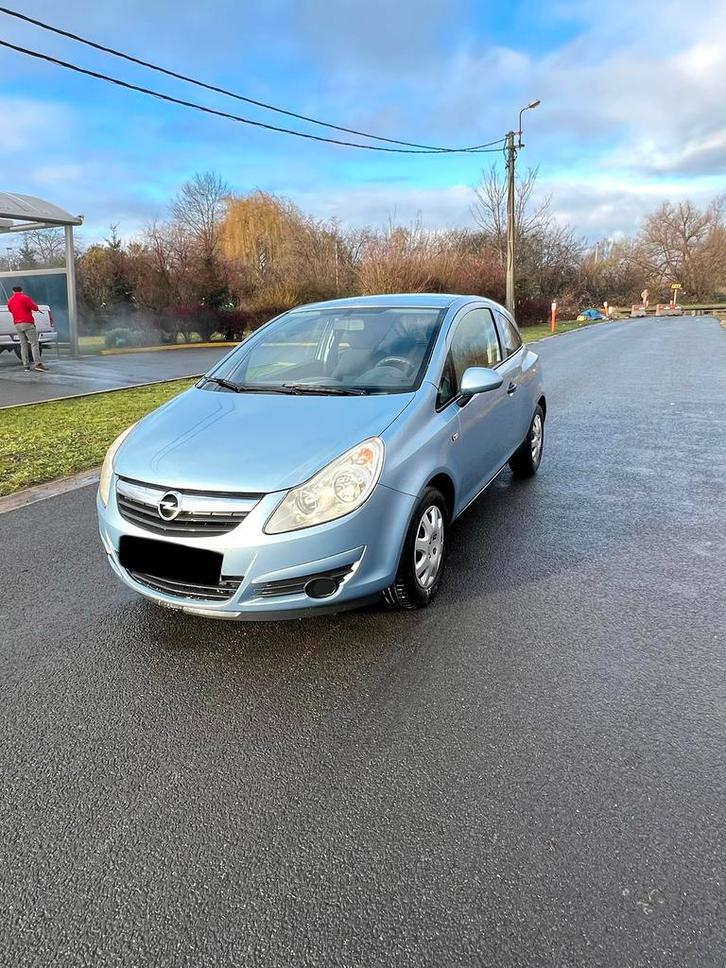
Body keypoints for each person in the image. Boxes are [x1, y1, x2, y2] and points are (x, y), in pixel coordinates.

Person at [6, 286, 48, 371]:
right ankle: (38, 364)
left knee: (23, 345)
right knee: (34, 344)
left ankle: (26, 366)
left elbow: (10, 310)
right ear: (21, 291)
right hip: (27, 323)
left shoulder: (10, 300)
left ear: (13, 291)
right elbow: (35, 308)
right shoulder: (25, 298)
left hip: (17, 324)